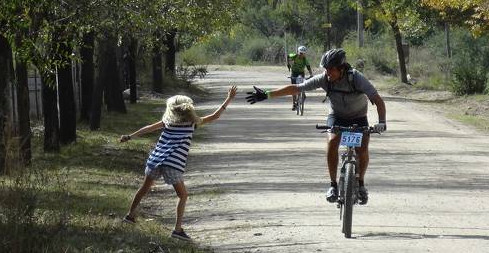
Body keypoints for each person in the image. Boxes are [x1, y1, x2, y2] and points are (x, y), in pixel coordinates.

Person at [247, 48, 386, 205]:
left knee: (362, 151)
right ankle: (333, 185)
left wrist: (382, 122)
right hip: (337, 116)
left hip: (359, 117)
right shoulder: (324, 79)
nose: (328, 73)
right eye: (326, 70)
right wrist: (267, 94)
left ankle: (360, 183)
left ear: (341, 68)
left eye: (331, 70)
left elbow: (378, 100)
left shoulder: (356, 78)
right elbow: (297, 88)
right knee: (332, 142)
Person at [120, 87, 237, 240]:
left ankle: (130, 216)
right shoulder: (191, 124)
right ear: (189, 110)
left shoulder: (167, 122)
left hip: (155, 160)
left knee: (144, 188)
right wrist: (228, 99)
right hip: (172, 164)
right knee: (182, 195)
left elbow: (147, 129)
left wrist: (129, 136)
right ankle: (177, 230)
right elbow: (215, 116)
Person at [287, 45, 313, 110]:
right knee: (293, 89)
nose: (302, 55)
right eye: (301, 53)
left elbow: (308, 67)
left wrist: (311, 74)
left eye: (303, 53)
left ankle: (301, 97)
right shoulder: (294, 56)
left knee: (301, 88)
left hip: (301, 74)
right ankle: (293, 104)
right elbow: (288, 56)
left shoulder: (304, 59)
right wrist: (288, 64)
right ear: (298, 52)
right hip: (294, 73)